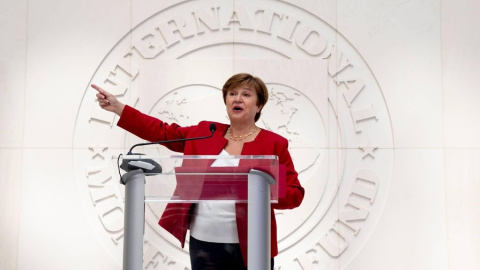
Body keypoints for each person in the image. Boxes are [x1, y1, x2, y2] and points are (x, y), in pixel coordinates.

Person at [92, 73, 305, 270]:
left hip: (252, 244)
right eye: (232, 94)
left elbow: (295, 194)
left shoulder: (274, 143)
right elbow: (163, 132)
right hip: (204, 242)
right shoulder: (206, 132)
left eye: (246, 94)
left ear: (259, 105)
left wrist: (256, 191)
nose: (237, 99)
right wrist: (119, 108)